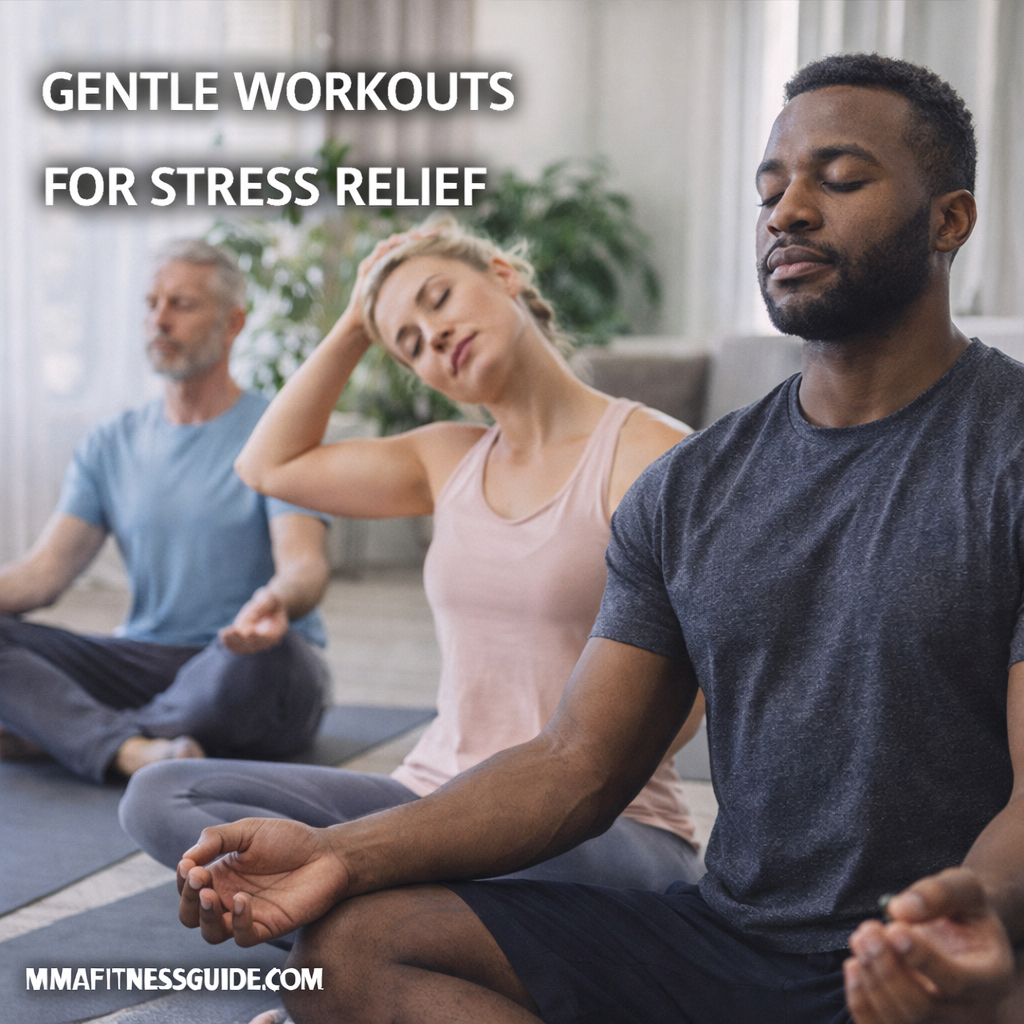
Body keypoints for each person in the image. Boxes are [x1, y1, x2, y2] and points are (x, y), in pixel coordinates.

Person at [176, 54, 1024, 1024]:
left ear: (949, 219)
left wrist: (978, 910)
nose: (788, 211)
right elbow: (575, 762)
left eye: (839, 179)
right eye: (769, 190)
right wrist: (339, 855)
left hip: (935, 957)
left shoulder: (1004, 453)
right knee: (345, 952)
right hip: (729, 942)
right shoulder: (692, 486)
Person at [120, 219, 706, 891]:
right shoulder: (445, 459)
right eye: (410, 344)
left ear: (503, 276)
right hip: (427, 799)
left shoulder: (652, 454)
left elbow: (700, 682)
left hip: (594, 825)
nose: (435, 336)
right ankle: (385, 912)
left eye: (439, 298)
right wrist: (354, 324)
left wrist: (524, 802)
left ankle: (360, 907)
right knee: (162, 794)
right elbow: (266, 465)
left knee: (409, 886)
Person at [0, 241, 331, 782]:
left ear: (233, 323)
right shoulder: (110, 442)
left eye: (182, 304)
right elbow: (42, 574)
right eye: (152, 304)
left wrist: (278, 599)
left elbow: (305, 565)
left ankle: (68, 733)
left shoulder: (277, 431)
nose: (160, 320)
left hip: (244, 654)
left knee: (262, 667)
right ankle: (128, 747)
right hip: (143, 660)